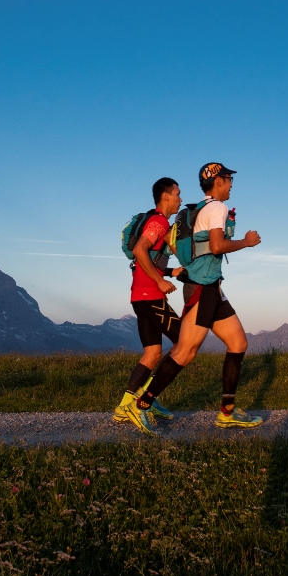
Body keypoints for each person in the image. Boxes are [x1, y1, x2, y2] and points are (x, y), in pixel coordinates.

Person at [123, 162, 263, 431]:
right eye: (228, 179)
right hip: (203, 289)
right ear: (218, 181)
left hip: (211, 287)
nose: (231, 184)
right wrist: (246, 242)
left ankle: (227, 412)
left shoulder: (200, 209)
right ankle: (141, 403)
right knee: (185, 351)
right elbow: (216, 245)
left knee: (238, 342)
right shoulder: (218, 209)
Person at [114, 177, 185, 434]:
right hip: (150, 296)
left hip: (140, 297)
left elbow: (151, 257)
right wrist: (159, 280)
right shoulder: (158, 221)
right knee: (186, 342)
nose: (179, 198)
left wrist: (169, 272)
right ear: (165, 196)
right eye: (177, 193)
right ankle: (146, 399)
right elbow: (140, 251)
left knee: (153, 353)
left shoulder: (160, 224)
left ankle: (124, 405)